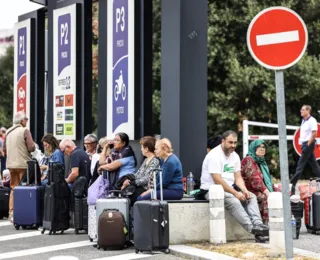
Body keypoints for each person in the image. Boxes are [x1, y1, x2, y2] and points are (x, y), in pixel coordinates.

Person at [200, 130, 269, 242]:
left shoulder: (235, 156)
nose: (233, 145)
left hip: (229, 188)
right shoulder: (214, 155)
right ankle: (253, 229)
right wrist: (235, 193)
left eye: (235, 143)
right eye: (230, 142)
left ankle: (258, 225)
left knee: (251, 196)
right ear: (223, 141)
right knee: (234, 201)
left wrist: (244, 190)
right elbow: (217, 180)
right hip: (212, 189)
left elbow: (238, 177)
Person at [3, 111, 35, 222]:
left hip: (11, 165)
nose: (26, 121)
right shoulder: (24, 130)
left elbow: (4, 150)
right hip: (23, 164)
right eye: (26, 119)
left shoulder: (8, 132)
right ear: (21, 121)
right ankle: (23, 211)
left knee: (14, 188)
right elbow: (31, 148)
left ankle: (11, 212)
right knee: (24, 188)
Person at [241, 140, 279, 224]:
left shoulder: (261, 161)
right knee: (266, 197)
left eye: (263, 147)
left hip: (259, 189)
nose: (262, 149)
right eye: (259, 147)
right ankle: (267, 226)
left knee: (281, 195)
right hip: (249, 190)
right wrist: (267, 192)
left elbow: (266, 180)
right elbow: (255, 180)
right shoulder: (248, 160)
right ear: (253, 148)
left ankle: (286, 224)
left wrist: (275, 190)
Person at [290, 105, 320, 195]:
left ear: (308, 111)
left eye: (303, 110)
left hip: (308, 144)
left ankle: (292, 184)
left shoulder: (312, 120)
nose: (300, 111)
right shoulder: (304, 120)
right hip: (305, 144)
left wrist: (308, 144)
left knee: (300, 166)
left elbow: (315, 133)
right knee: (315, 165)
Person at [121, 136, 160, 204]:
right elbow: (138, 174)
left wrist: (131, 183)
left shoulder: (155, 161)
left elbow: (147, 179)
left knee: (128, 197)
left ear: (146, 149)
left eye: (142, 147)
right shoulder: (146, 160)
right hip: (139, 187)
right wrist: (128, 181)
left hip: (146, 189)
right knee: (124, 193)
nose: (141, 149)